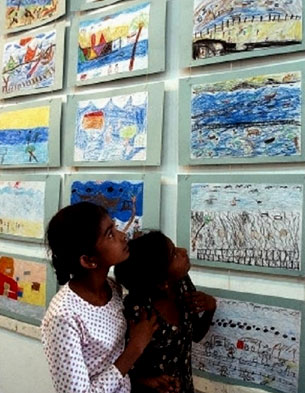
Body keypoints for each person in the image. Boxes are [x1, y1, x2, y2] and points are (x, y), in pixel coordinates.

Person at [41, 202, 158, 393]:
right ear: (88, 260)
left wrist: (142, 380)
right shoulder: (63, 317)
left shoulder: (113, 288)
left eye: (114, 227)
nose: (122, 236)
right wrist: (135, 349)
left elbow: (107, 364)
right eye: (110, 234)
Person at [114, 231, 216, 393]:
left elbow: (196, 334)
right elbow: (120, 369)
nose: (183, 251)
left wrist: (210, 308)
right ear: (161, 282)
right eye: (174, 254)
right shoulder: (138, 313)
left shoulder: (182, 285)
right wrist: (147, 380)